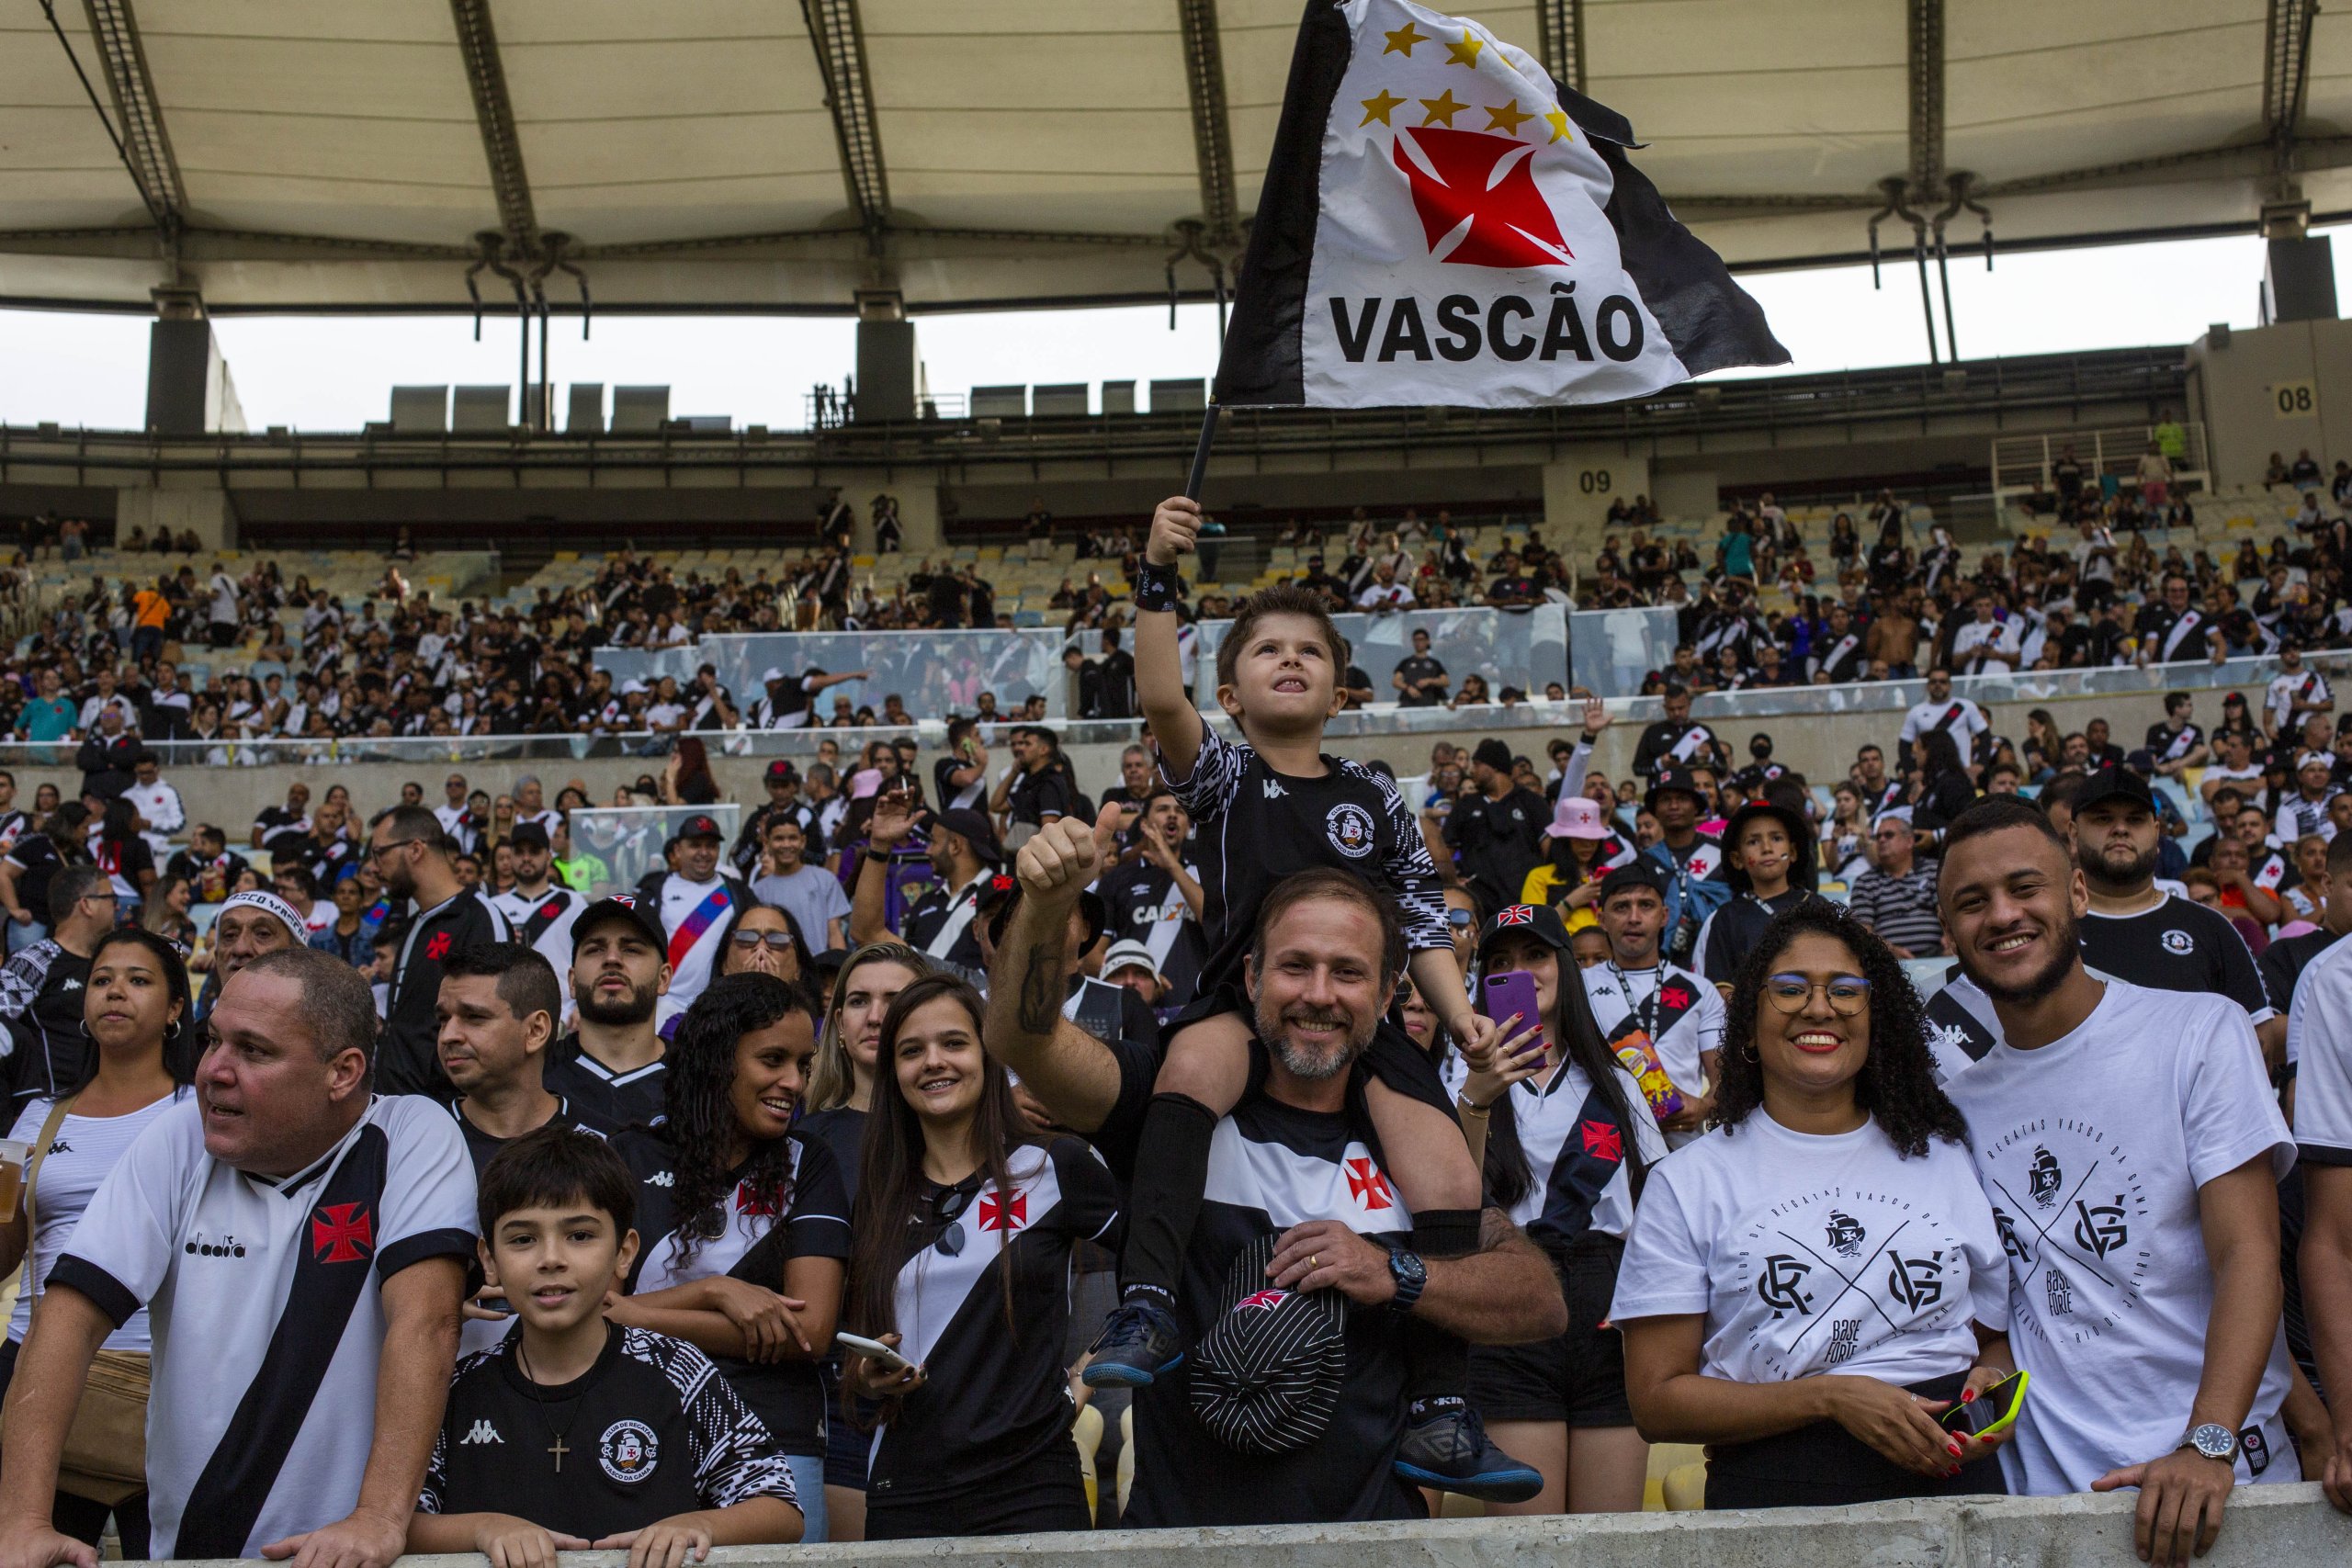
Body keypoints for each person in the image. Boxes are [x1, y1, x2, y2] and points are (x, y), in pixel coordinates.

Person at [983, 819, 1567, 1525]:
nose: (1319, 993)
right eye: (1295, 965)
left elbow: (1538, 1298)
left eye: (1348, 971)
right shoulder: (1170, 1097)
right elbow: (1021, 1038)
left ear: (1388, 994)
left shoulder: (1409, 1132)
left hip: (1370, 1541)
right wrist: (1046, 907)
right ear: (1251, 976)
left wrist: (1395, 1271)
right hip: (1186, 1541)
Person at [1113, 508, 1523, 1501]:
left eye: (1309, 651)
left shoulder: (1376, 793)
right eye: (1267, 649)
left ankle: (1440, 1407)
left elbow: (1418, 916)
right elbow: (1159, 692)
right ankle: (1148, 1304)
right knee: (1188, 1068)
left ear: (1340, 689)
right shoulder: (1222, 773)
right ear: (1230, 693)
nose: (1289, 660)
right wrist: (1158, 571)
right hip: (1240, 1005)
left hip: (1357, 1023)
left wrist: (1456, 1014)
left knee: (1446, 1170)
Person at [0, 948, 476, 1568]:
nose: (213, 1071)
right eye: (213, 1040)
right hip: (193, 1556)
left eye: (253, 1050)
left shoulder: (411, 1134)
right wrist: (21, 1520)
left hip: (351, 1557)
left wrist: (378, 1519)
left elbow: (427, 1321)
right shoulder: (177, 1138)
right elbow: (67, 1318)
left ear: (343, 1072)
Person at [1936, 798, 2302, 1555]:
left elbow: (2249, 1255)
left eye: (2024, 887)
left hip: (2219, 1488)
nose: (2002, 915)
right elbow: (2005, 1317)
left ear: (2077, 892)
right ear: (1949, 931)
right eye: (1973, 902)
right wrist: (1987, 1378)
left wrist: (2207, 1441)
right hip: (2048, 1509)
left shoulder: (2199, 1031)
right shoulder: (1957, 1107)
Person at [1612, 903, 2013, 1507]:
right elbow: (1657, 1401)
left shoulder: (1945, 1154)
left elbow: (1992, 1337)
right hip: (1779, 1490)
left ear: (1876, 1018)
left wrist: (1991, 1380)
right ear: (1749, 1024)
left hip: (1955, 1478)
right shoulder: (1686, 1180)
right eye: (1790, 988)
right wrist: (1831, 1397)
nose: (1820, 1007)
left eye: (1846, 990)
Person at [410, 1128, 804, 1565]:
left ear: (624, 1251)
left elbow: (780, 1509)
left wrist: (699, 1525)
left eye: (580, 1235)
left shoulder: (677, 1370)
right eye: (523, 1239)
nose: (551, 1259)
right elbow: (396, 1522)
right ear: (489, 1260)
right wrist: (483, 1529)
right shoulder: (458, 1388)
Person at [839, 975, 1119, 1539]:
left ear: (989, 1057)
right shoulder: (877, 1196)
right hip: (908, 1487)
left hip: (1033, 1485)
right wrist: (869, 1378)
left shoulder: (1055, 1165)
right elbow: (860, 1352)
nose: (933, 1062)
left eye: (954, 1043)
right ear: (893, 1072)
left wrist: (1079, 1383)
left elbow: (1153, 1270)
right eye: (911, 1051)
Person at [607, 975, 850, 1542]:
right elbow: (590, 1310)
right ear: (717, 1059)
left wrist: (638, 1316)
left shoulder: (808, 1161)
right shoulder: (627, 1155)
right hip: (639, 1426)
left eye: (803, 1064)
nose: (794, 1083)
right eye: (773, 1060)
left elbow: (811, 1331)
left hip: (777, 1435)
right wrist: (714, 1292)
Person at [1454, 905, 1668, 1515]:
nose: (1520, 971)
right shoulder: (1462, 1081)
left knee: (1609, 1539)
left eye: (1536, 956)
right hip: (1511, 1294)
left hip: (1607, 1303)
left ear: (1565, 968)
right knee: (1525, 1540)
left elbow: (1658, 1206)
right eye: (1501, 962)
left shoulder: (1618, 1082)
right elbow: (1452, 1201)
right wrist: (1476, 1096)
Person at [0, 930, 194, 1558]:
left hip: (163, 1371)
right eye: (102, 979)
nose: (115, 991)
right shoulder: (41, 1117)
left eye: (139, 980)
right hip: (35, 1362)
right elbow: (6, 1257)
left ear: (174, 1007)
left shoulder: (201, 1114)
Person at [797, 942, 926, 1542]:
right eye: (857, 1001)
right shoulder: (805, 1143)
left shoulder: (976, 1132)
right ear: (839, 1029)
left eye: (894, 998)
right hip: (841, 1403)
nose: (875, 1015)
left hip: (964, 1395)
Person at [436, 943, 614, 1351]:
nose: (449, 1035)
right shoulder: (410, 1144)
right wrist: (430, 1307)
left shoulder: (604, 1144)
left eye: (474, 1017)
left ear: (535, 1031)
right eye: (443, 1019)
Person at [2060, 770, 2281, 1064]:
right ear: (2074, 834)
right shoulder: (2049, 928)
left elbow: (2258, 1041)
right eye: (2103, 819)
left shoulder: (2212, 927)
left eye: (2135, 820)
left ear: (2156, 832)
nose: (2120, 829)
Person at [371, 804, 513, 1101]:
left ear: (415, 849)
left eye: (379, 853)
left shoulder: (479, 918)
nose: (374, 866)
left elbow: (493, 1020)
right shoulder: (414, 924)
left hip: (442, 1106)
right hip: (394, 1103)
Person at [1585, 864, 1723, 1146]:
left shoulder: (1701, 990)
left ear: (1664, 916)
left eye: (1646, 905)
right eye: (1621, 907)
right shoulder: (1578, 986)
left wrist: (1704, 1106)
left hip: (1683, 1148)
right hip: (1604, 1145)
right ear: (1602, 919)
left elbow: (1725, 1079)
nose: (1634, 918)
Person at [0, 868, 117, 1122]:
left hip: (104, 1109)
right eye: (111, 898)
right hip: (48, 1112)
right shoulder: (35, 960)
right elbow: (2, 1030)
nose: (117, 907)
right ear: (86, 904)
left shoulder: (111, 963)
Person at [546, 897, 673, 1129]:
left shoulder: (699, 1080)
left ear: (663, 979)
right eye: (595, 949)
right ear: (572, 982)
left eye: (631, 949)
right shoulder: (535, 1078)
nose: (612, 959)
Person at [1093, 788, 1209, 1011]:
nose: (1172, 815)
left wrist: (1172, 865)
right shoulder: (1117, 879)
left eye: (1180, 811)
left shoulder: (1204, 874)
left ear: (1188, 826)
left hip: (1195, 1005)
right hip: (1135, 1008)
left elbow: (1216, 922)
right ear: (1144, 824)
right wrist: (1142, 977)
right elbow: (1092, 958)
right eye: (1163, 809)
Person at [854, 803, 996, 970]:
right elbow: (868, 935)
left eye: (933, 842)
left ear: (955, 845)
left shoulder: (1001, 894)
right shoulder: (924, 902)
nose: (927, 851)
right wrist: (880, 844)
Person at [1696, 797, 1819, 987]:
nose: (1767, 848)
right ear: (1737, 859)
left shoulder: (1818, 907)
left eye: (1776, 838)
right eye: (1753, 841)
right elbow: (1721, 987)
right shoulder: (1727, 918)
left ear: (1793, 852)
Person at [1447, 739, 1551, 914]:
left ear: (1493, 766)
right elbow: (1445, 851)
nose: (1472, 770)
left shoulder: (1531, 802)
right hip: (1480, 902)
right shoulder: (1466, 805)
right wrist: (1453, 881)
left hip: (1526, 899)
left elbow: (1549, 850)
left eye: (1477, 764)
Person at [488, 823, 586, 1010]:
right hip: (509, 1011)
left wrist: (582, 1007)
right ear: (511, 857)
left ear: (548, 857)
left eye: (534, 851)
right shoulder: (494, 907)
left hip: (564, 1011)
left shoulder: (572, 901)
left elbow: (586, 957)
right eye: (519, 852)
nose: (526, 858)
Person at [650, 815, 737, 1026]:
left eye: (711, 846)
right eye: (695, 845)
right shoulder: (655, 891)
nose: (704, 852)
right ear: (678, 850)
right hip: (665, 1003)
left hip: (720, 1006)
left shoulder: (738, 892)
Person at [1848, 809, 1943, 959]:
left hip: (1940, 954)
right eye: (1878, 836)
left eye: (1889, 835)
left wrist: (1950, 939)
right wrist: (1889, 949)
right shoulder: (1865, 882)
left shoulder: (1933, 871)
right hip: (1888, 960)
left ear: (1909, 841)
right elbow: (1862, 930)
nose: (1881, 840)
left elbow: (1946, 913)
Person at [749, 818, 848, 953]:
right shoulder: (758, 891)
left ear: (803, 841)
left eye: (792, 838)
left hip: (819, 964)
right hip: (776, 965)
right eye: (779, 839)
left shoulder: (825, 880)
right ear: (767, 843)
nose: (786, 844)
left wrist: (840, 965)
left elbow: (835, 932)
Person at [1897, 670, 1986, 778]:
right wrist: (1910, 771)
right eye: (1933, 682)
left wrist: (1981, 763)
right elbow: (1904, 745)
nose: (1938, 685)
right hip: (1929, 775)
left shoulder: (1966, 707)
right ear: (1927, 686)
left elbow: (1985, 736)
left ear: (1950, 685)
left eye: (1942, 682)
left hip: (1962, 772)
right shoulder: (1916, 712)